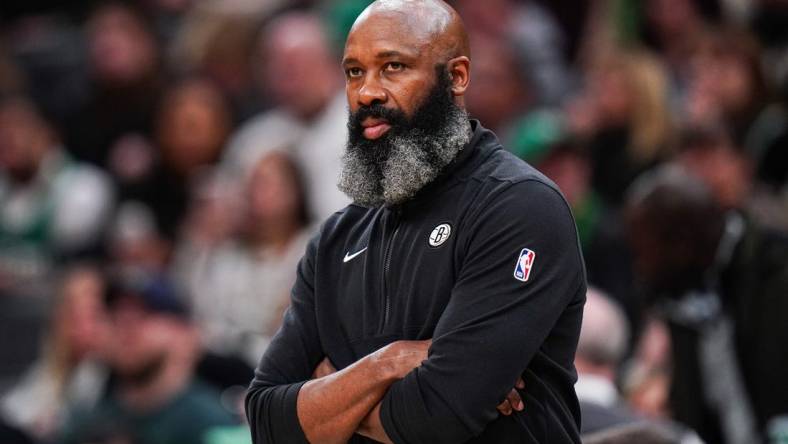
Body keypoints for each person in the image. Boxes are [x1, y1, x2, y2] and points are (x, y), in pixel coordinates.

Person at [245, 1, 586, 443]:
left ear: (457, 77)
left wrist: (328, 392)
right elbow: (265, 420)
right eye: (354, 72)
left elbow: (438, 417)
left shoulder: (518, 207)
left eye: (393, 67)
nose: (367, 92)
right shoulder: (335, 239)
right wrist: (386, 364)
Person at [625, 165, 788, 443]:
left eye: (646, 252)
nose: (642, 269)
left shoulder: (776, 271)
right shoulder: (679, 293)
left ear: (683, 244)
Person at [60, 273, 238, 444]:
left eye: (145, 313)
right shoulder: (88, 417)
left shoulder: (210, 423)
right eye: (115, 314)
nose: (126, 324)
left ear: (184, 332)